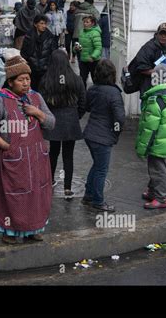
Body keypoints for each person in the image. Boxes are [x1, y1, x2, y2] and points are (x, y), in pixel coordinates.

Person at [0, 54, 56, 245]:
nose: (26, 83)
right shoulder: (0, 101)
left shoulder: (36, 98)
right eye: (21, 80)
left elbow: (51, 124)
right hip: (10, 159)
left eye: (28, 79)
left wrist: (37, 113)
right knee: (12, 195)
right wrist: (7, 147)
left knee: (36, 192)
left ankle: (33, 228)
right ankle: (9, 231)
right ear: (10, 82)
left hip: (35, 158)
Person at [136, 64, 166, 209]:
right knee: (156, 166)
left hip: (157, 140)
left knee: (157, 168)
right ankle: (153, 191)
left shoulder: (156, 98)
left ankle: (161, 197)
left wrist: (142, 148)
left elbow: (150, 127)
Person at [39, 50, 87, 200]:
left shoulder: (46, 80)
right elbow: (83, 101)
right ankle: (67, 188)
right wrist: (76, 115)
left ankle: (49, 182)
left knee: (53, 153)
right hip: (70, 121)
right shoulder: (76, 79)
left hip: (53, 121)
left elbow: (41, 104)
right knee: (68, 156)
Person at [81, 59, 125, 212]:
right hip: (103, 137)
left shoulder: (92, 89)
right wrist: (115, 134)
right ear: (112, 74)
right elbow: (119, 118)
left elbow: (86, 107)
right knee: (101, 169)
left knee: (96, 165)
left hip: (90, 133)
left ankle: (88, 195)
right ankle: (98, 201)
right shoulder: (114, 92)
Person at [127, 23, 166, 96]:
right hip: (149, 88)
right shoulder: (148, 47)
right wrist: (160, 73)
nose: (163, 36)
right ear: (157, 34)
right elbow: (142, 68)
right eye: (161, 33)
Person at [21, 14, 58, 91]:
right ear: (35, 24)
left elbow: (53, 52)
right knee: (32, 90)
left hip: (45, 69)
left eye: (45, 23)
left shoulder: (50, 37)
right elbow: (24, 52)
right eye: (41, 23)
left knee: (44, 90)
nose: (44, 26)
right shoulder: (29, 36)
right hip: (32, 69)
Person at [76, 16, 102, 88]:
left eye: (87, 22)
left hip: (93, 61)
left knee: (95, 80)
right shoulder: (81, 31)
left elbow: (98, 48)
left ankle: (96, 95)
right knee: (82, 80)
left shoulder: (95, 33)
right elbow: (81, 45)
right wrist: (76, 48)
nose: (85, 24)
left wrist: (93, 56)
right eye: (84, 22)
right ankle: (83, 96)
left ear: (92, 23)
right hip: (83, 60)